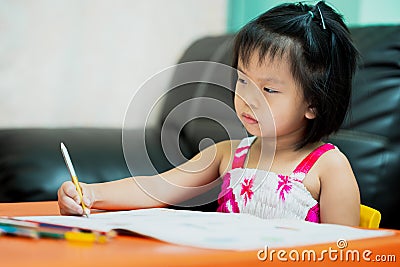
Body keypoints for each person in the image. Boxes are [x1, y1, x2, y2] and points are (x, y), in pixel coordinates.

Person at [58, 1, 360, 226]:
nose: (248, 99)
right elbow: (158, 187)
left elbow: (345, 251)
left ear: (314, 103)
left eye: (269, 90)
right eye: (243, 80)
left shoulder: (328, 169)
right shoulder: (228, 155)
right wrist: (89, 194)